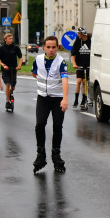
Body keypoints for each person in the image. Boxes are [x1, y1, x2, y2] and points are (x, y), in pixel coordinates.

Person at [30, 35, 69, 173]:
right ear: (44, 48)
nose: (51, 50)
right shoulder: (38, 60)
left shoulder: (61, 62)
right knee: (40, 125)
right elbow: (34, 73)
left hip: (57, 99)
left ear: (57, 47)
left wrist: (64, 99)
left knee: (57, 126)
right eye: (48, 47)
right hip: (43, 98)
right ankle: (41, 155)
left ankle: (56, 155)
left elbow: (65, 80)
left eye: (54, 47)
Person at [0, 32, 24, 112]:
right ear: (5, 40)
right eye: (9, 39)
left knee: (13, 87)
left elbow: (20, 58)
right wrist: (3, 65)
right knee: (7, 84)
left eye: (12, 38)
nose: (11, 40)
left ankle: (9, 94)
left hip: (13, 69)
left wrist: (19, 65)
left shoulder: (16, 48)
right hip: (5, 70)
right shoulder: (1, 48)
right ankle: (7, 101)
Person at [72, 27, 92, 110]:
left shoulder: (90, 41)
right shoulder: (77, 41)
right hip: (79, 65)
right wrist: (74, 63)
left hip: (88, 65)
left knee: (84, 82)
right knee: (79, 81)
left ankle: (84, 100)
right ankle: (76, 99)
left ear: (83, 34)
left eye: (79, 33)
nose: (78, 35)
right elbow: (73, 54)